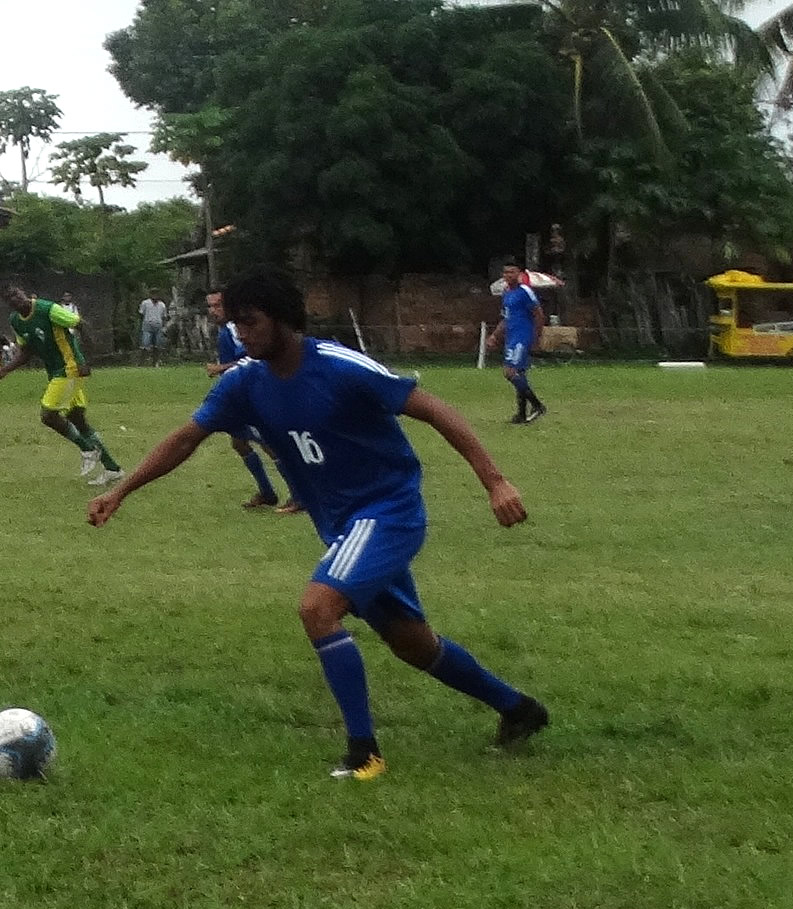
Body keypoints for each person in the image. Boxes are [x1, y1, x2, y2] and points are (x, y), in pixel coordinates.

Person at [88, 265, 548, 782]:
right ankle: (519, 709)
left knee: (317, 609)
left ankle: (364, 753)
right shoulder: (244, 382)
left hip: (387, 512)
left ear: (283, 319)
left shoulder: (340, 367)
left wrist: (495, 482)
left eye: (250, 321)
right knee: (412, 643)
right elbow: (185, 438)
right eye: (235, 322)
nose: (240, 332)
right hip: (342, 526)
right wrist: (120, 490)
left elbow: (436, 410)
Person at [0, 284, 125, 486]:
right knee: (77, 419)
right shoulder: (16, 321)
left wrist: (86, 360)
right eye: (9, 298)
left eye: (16, 294)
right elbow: (26, 352)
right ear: (7, 304)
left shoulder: (48, 309)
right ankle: (113, 469)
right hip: (55, 371)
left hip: (70, 367)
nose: (15, 299)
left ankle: (87, 448)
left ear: (23, 293)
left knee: (48, 415)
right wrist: (5, 370)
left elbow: (80, 324)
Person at [204, 287, 301, 513]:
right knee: (239, 443)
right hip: (237, 397)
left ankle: (299, 497)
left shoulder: (235, 329)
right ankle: (267, 493)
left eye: (218, 305)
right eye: (210, 306)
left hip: (252, 395)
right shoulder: (224, 331)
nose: (213, 311)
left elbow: (252, 359)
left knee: (268, 444)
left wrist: (220, 368)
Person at [486, 261, 548, 424]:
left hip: (522, 336)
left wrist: (536, 337)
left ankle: (537, 405)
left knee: (510, 372)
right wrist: (494, 336)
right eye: (505, 272)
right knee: (519, 374)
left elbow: (539, 314)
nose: (508, 275)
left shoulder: (525, 291)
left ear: (519, 273)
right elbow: (506, 318)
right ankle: (521, 414)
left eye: (511, 272)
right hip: (511, 337)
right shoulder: (507, 293)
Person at [138, 288, 168, 365]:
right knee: (145, 343)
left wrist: (164, 327)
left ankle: (155, 362)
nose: (155, 296)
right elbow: (141, 314)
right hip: (147, 326)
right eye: (153, 294)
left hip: (158, 326)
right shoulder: (145, 303)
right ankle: (142, 362)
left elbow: (164, 317)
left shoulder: (162, 305)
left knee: (157, 345)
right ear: (150, 295)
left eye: (157, 294)